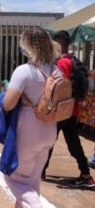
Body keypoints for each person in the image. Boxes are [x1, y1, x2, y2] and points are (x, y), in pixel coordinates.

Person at [2, 28, 60, 207]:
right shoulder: (56, 71)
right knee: (32, 181)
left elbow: (8, 105)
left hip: (28, 131)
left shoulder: (24, 71)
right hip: (49, 130)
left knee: (13, 177)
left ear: (27, 45)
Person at [42, 30, 94, 187]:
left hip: (62, 111)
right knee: (72, 143)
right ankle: (85, 175)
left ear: (60, 43)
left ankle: (41, 170)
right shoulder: (72, 60)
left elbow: (60, 87)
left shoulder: (63, 63)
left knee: (49, 140)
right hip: (70, 110)